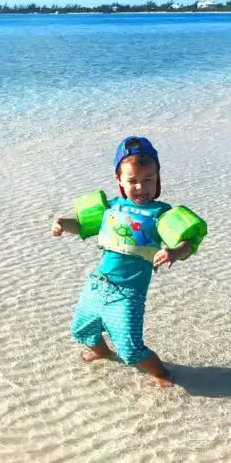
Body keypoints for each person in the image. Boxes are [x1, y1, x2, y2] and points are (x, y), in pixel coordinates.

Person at [51, 136, 194, 387]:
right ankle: (102, 352)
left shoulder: (160, 214)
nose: (141, 187)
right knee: (82, 330)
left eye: (148, 179)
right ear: (119, 181)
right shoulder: (111, 208)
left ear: (158, 177)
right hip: (97, 284)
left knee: (130, 349)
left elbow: (188, 242)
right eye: (132, 181)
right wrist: (63, 224)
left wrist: (174, 253)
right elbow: (84, 225)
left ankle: (162, 374)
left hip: (128, 293)